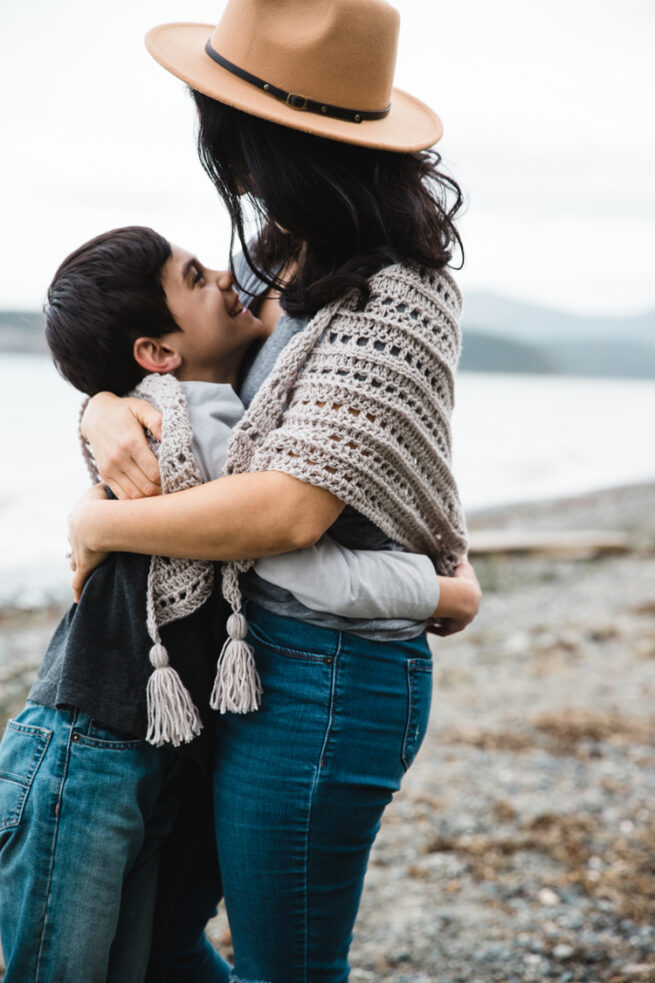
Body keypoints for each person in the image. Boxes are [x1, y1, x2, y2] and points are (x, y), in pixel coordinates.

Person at [67, 0, 481, 979]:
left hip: (332, 675)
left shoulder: (399, 292)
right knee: (156, 936)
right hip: (243, 652)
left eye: (233, 131)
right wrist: (103, 411)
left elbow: (291, 505)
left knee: (286, 967)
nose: (225, 159)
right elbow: (172, 379)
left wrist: (99, 521)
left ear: (278, 145)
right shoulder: (272, 259)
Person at [0, 224, 478, 983]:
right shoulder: (191, 413)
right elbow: (295, 555)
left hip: (153, 734)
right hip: (91, 747)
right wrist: (444, 588)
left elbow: (365, 458)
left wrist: (99, 490)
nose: (228, 276)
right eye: (196, 277)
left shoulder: (220, 377)